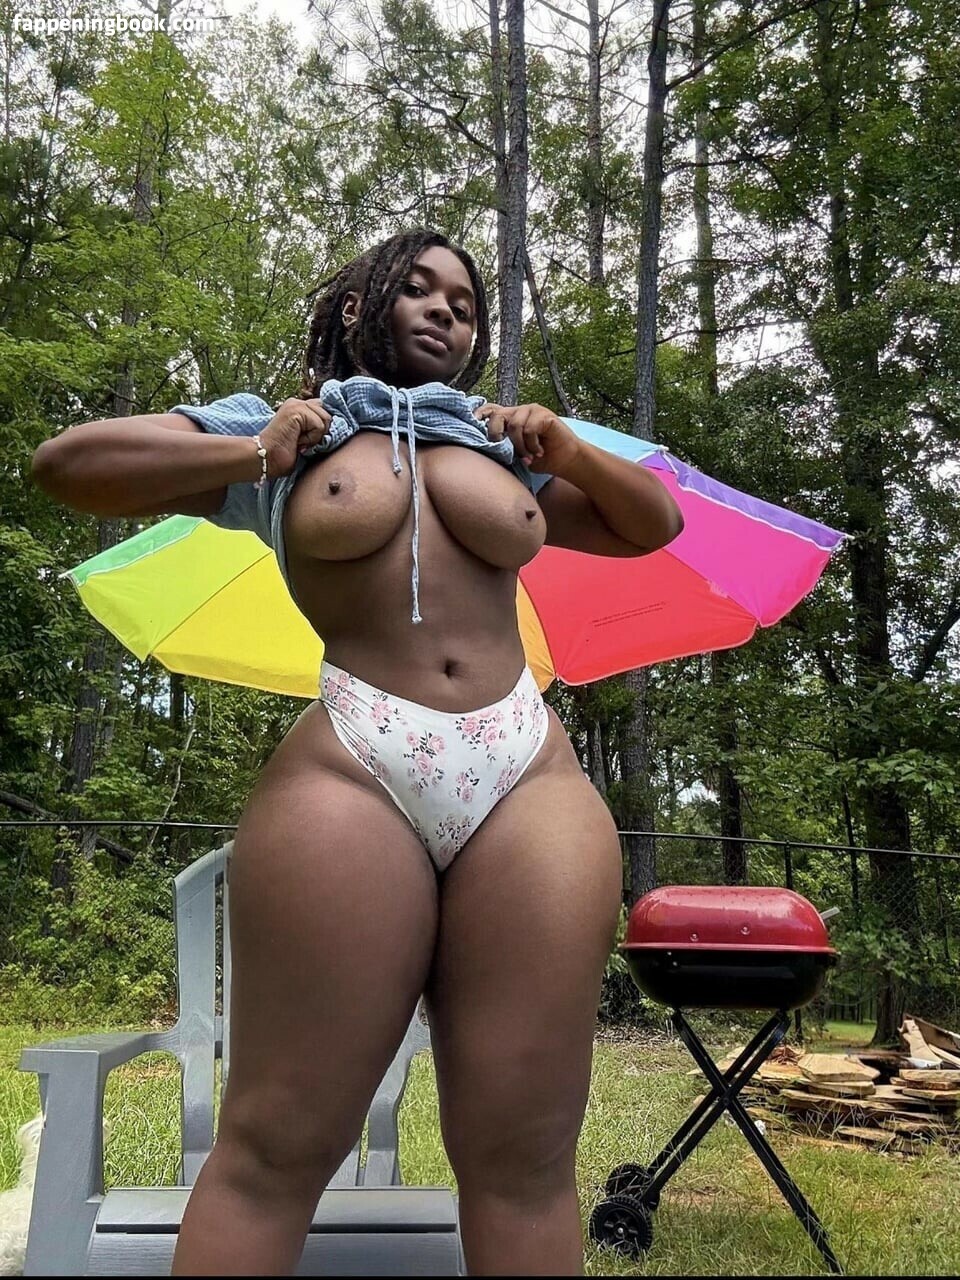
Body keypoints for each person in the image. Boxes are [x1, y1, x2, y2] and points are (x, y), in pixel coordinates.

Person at [30, 228, 684, 1276]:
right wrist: (259, 452)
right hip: (357, 759)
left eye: (464, 303)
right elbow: (68, 465)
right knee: (278, 1139)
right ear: (355, 308)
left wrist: (567, 451)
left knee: (524, 1152)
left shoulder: (497, 443)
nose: (445, 310)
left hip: (525, 767)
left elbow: (654, 524)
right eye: (419, 289)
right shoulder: (289, 428)